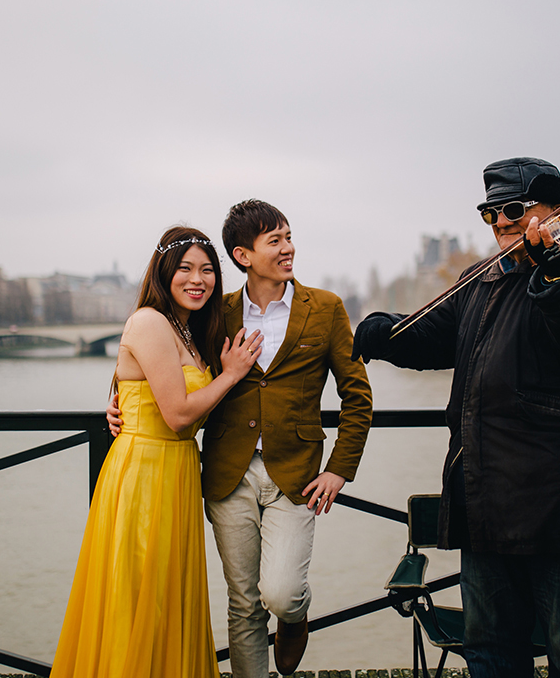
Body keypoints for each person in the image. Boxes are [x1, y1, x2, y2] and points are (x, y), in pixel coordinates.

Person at [352, 157, 560, 678]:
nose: (502, 223)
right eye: (491, 213)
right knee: (488, 651)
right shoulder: (484, 277)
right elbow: (431, 336)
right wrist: (376, 332)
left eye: (513, 209)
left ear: (556, 207)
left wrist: (557, 269)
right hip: (487, 500)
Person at [108, 200, 373, 677]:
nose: (289, 248)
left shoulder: (327, 309)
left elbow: (358, 396)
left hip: (297, 475)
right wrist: (117, 403)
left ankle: (295, 619)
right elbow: (165, 365)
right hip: (226, 474)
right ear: (243, 255)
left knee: (282, 593)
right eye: (276, 240)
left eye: (289, 237)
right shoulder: (216, 313)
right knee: (243, 603)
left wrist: (339, 469)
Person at [52, 226, 262, 678]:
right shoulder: (149, 321)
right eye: (185, 268)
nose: (197, 279)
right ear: (163, 272)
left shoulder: (189, 330)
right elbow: (179, 415)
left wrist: (123, 403)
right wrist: (230, 374)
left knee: (168, 597)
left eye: (207, 270)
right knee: (137, 595)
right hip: (143, 476)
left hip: (179, 472)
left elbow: (152, 392)